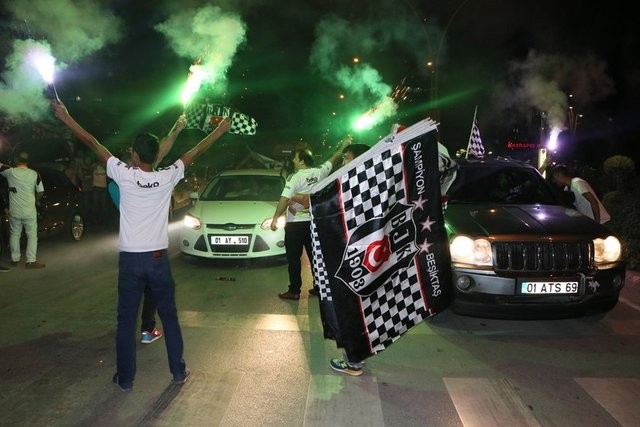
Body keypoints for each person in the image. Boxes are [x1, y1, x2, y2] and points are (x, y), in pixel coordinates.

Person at [53, 100, 230, 392]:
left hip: (131, 261)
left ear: (134, 155)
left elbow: (91, 141)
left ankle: (125, 378)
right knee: (170, 317)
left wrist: (66, 117)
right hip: (158, 259)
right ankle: (178, 372)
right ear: (154, 156)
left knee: (126, 321)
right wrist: (220, 131)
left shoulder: (124, 174)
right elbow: (194, 151)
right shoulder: (166, 176)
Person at [270, 137, 352, 300]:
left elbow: (285, 200)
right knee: (316, 258)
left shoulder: (294, 177)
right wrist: (344, 146)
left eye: (295, 157)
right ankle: (319, 288)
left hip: (295, 225)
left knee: (294, 259)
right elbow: (332, 159)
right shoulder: (319, 172)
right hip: (314, 224)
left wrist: (275, 218)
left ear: (301, 161)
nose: (293, 160)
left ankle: (294, 291)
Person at [0, 152, 46, 269]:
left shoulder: (10, 172)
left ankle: (15, 259)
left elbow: (1, 166)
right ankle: (31, 261)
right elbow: (41, 191)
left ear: (16, 160)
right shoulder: (35, 174)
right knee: (32, 235)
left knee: (15, 234)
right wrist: (36, 199)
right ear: (28, 161)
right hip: (29, 211)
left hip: (14, 211)